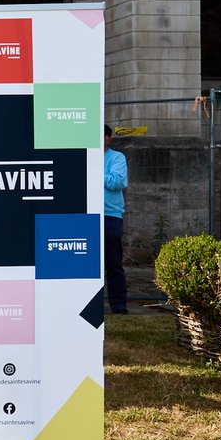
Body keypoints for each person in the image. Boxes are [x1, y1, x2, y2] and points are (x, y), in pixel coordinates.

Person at [105, 125, 129, 314]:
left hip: (110, 215)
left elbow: (117, 182)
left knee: (113, 262)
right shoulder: (85, 156)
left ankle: (118, 304)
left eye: (101, 137)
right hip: (87, 214)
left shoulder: (117, 158)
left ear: (108, 138)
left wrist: (92, 172)